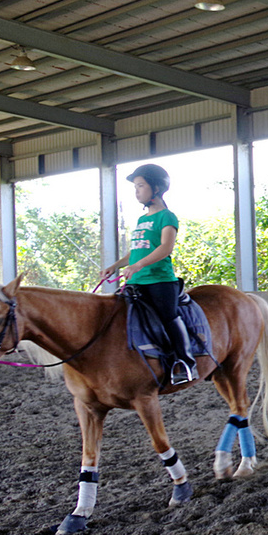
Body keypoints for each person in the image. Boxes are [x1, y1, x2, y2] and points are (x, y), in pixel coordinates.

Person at [102, 163, 198, 386]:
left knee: (168, 316)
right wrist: (114, 266)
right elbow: (137, 251)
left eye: (141, 186)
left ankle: (185, 362)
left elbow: (165, 247)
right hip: (136, 281)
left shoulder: (167, 217)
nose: (136, 191)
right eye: (135, 186)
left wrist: (139, 265)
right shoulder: (142, 219)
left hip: (159, 280)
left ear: (156, 188)